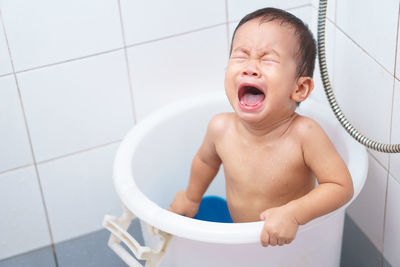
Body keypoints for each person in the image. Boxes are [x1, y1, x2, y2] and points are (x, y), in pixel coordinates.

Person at [168, 7, 354, 247]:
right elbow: (206, 162)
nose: (250, 67)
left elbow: (340, 186)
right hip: (240, 235)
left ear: (299, 89)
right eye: (241, 55)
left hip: (288, 239)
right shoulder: (220, 128)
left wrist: (294, 214)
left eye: (268, 59)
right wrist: (191, 198)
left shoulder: (305, 135)